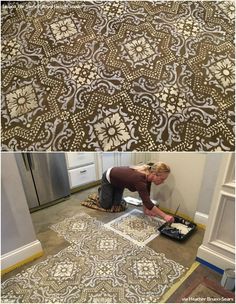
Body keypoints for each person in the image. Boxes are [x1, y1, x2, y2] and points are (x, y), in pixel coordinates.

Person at [99, 162, 174, 223]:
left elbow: (146, 196)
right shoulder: (140, 179)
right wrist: (165, 216)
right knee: (106, 205)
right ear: (155, 174)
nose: (163, 182)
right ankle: (101, 190)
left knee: (116, 205)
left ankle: (110, 191)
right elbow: (148, 202)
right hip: (109, 177)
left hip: (119, 183)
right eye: (162, 179)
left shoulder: (148, 177)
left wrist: (145, 211)